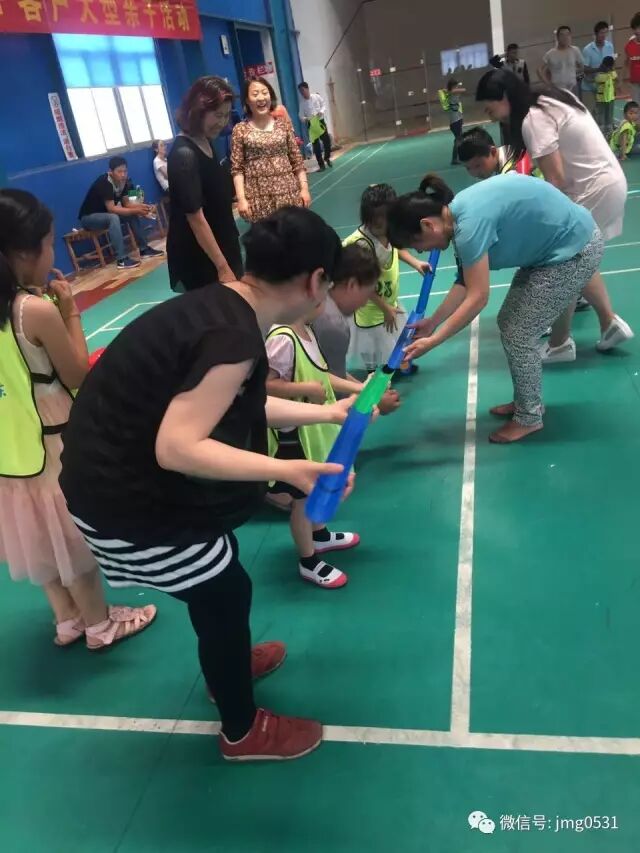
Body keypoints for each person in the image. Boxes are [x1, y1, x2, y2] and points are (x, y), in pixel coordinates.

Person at [60, 206, 355, 762]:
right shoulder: (234, 337)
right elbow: (177, 448)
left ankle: (228, 666)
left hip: (111, 478)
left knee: (221, 575)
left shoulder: (225, 306)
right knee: (224, 591)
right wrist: (288, 470)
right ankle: (241, 730)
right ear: (317, 280)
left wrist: (327, 412)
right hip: (120, 500)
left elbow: (233, 405)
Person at [0, 189, 156, 649]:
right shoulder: (33, 310)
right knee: (70, 532)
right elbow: (75, 374)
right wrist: (68, 310)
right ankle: (99, 624)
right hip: (51, 434)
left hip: (10, 446)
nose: (53, 253)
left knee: (34, 531)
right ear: (24, 252)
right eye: (50, 243)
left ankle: (67, 619)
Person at [387, 174, 603, 444]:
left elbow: (478, 297)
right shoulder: (457, 214)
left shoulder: (469, 226)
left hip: (575, 249)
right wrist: (432, 322)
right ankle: (527, 402)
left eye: (416, 245)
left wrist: (434, 340)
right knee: (509, 324)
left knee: (519, 333)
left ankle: (529, 416)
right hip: (553, 250)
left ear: (427, 225)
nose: (420, 252)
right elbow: (465, 281)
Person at [476, 70, 633, 363]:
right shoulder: (551, 98)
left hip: (592, 189)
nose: (490, 115)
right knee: (578, 262)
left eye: (490, 108)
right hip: (606, 181)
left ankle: (560, 344)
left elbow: (556, 180)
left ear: (505, 96)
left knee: (562, 262)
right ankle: (609, 324)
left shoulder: (533, 118)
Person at [266, 308, 364, 589]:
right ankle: (308, 561)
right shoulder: (282, 338)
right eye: (322, 295)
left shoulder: (307, 330)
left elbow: (322, 376)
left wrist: (358, 389)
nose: (325, 304)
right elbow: (266, 385)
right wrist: (304, 388)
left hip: (313, 430)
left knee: (317, 488)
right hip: (293, 437)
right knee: (304, 501)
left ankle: (319, 536)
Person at [166, 76, 243, 293]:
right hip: (201, 259)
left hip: (223, 242)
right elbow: (196, 219)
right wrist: (223, 268)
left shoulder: (206, 141)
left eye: (226, 115)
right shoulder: (184, 154)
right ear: (197, 111)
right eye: (217, 115)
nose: (223, 122)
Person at [344, 184, 430, 373]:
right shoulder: (361, 244)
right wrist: (384, 307)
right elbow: (361, 284)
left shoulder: (388, 232)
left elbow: (395, 249)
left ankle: (396, 362)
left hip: (388, 299)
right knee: (372, 340)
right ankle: (372, 371)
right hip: (370, 306)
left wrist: (416, 262)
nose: (378, 223)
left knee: (393, 334)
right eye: (374, 219)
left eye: (383, 218)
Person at [232, 78, 310, 224]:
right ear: (247, 100)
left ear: (271, 96)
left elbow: (297, 161)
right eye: (255, 94)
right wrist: (241, 199)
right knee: (265, 237)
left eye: (264, 92)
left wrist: (304, 189)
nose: (261, 98)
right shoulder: (240, 130)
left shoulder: (283, 126)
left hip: (288, 195)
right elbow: (237, 169)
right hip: (258, 200)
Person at [78, 157, 162, 271]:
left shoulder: (125, 182)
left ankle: (144, 249)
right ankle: (121, 260)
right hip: (89, 218)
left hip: (107, 215)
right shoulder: (105, 182)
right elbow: (111, 208)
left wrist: (144, 207)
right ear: (111, 172)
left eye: (125, 171)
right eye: (119, 171)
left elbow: (127, 204)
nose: (123, 174)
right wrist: (136, 210)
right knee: (113, 218)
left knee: (131, 214)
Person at [457, 126, 541, 179]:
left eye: (478, 165)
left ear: (493, 152)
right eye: (468, 168)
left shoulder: (512, 174)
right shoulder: (509, 150)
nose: (474, 173)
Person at [539, 26, 583, 97]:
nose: (565, 37)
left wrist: (572, 73)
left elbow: (581, 66)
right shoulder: (550, 53)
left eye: (567, 34)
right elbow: (539, 69)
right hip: (557, 89)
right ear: (557, 37)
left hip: (572, 87)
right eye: (562, 35)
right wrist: (548, 83)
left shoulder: (575, 50)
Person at [582, 21, 615, 115]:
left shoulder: (610, 46)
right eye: (601, 32)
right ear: (596, 33)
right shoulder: (587, 49)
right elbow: (585, 69)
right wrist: (599, 69)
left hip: (605, 87)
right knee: (590, 113)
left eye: (605, 32)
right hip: (590, 86)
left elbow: (611, 64)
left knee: (605, 113)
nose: (604, 35)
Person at [298, 82, 332, 171]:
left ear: (307, 88)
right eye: (300, 91)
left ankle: (327, 157)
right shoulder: (302, 103)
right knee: (316, 146)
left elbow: (324, 105)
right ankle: (321, 165)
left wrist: (321, 111)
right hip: (311, 125)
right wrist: (305, 119)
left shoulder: (316, 97)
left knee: (327, 141)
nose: (302, 93)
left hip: (320, 121)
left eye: (303, 90)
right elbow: (301, 116)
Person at [438, 79, 466, 164]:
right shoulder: (452, 93)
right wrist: (449, 90)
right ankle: (455, 159)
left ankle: (458, 157)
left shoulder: (451, 93)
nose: (458, 87)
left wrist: (447, 90)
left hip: (457, 120)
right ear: (453, 86)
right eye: (456, 86)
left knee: (459, 139)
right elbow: (464, 90)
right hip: (455, 122)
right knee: (458, 140)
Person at [594, 55, 619, 138]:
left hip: (608, 98)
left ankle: (606, 130)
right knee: (604, 114)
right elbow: (616, 79)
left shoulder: (600, 75)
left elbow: (616, 80)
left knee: (605, 114)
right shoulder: (607, 75)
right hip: (603, 99)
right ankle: (604, 131)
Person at [624, 13, 640, 103]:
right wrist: (621, 80)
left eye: (639, 28)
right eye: (635, 28)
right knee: (636, 107)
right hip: (635, 83)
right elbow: (626, 62)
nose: (637, 31)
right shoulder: (629, 45)